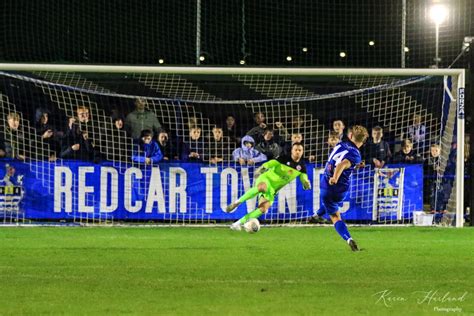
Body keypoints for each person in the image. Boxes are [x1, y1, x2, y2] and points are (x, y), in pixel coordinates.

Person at [225, 142, 311, 230]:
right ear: (292, 151)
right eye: (296, 150)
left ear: (302, 151)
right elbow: (271, 163)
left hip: (273, 190)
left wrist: (306, 184)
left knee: (263, 208)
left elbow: (304, 180)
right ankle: (236, 203)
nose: (297, 152)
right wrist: (262, 168)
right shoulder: (284, 158)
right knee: (262, 187)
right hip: (266, 179)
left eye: (300, 150)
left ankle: (237, 224)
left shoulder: (302, 166)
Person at [311, 125, 369, 251]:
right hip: (340, 189)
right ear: (363, 141)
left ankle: (347, 238)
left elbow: (342, 162)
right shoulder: (356, 154)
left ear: (351, 136)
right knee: (333, 207)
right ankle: (317, 217)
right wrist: (336, 177)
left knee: (333, 212)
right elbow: (343, 164)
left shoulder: (341, 144)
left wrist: (335, 177)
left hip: (326, 184)